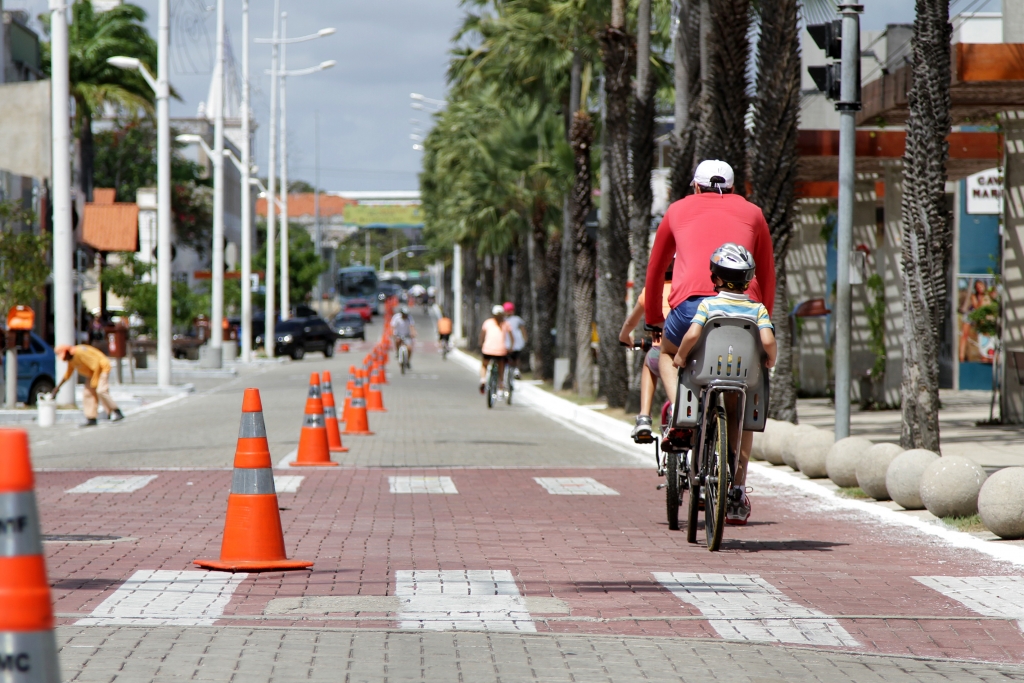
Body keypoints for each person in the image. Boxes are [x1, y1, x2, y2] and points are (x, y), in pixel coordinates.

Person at [672, 243, 777, 525]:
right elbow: (767, 341)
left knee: (693, 384)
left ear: (715, 277)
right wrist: (770, 359)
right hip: (743, 378)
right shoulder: (758, 309)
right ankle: (737, 487)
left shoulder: (709, 305)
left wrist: (680, 356)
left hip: (707, 374)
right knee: (737, 416)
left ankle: (695, 445)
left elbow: (693, 335)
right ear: (748, 279)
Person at [619, 260, 674, 443]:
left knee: (650, 360)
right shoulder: (690, 290)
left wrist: (625, 337)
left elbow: (631, 322)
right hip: (692, 353)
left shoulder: (650, 292)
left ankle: (644, 417)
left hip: (663, 351)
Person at [52, 344, 124, 427]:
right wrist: (58, 387)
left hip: (102, 368)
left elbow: (96, 364)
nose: (65, 359)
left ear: (68, 352)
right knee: (87, 394)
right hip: (92, 373)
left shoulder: (80, 352)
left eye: (64, 356)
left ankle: (116, 411)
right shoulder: (71, 360)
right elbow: (68, 374)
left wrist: (95, 382)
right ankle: (91, 418)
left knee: (101, 391)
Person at [479, 304, 511, 394]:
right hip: (501, 350)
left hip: (487, 349)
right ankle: (500, 383)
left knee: (484, 365)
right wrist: (511, 347)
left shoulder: (488, 322)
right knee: (501, 366)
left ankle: (483, 380)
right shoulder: (506, 324)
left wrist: (481, 343)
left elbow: (482, 335)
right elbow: (511, 338)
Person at [502, 302, 527, 379]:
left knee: (516, 357)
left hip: (515, 342)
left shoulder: (517, 319)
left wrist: (525, 339)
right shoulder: (502, 320)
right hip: (505, 342)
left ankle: (516, 370)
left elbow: (523, 330)